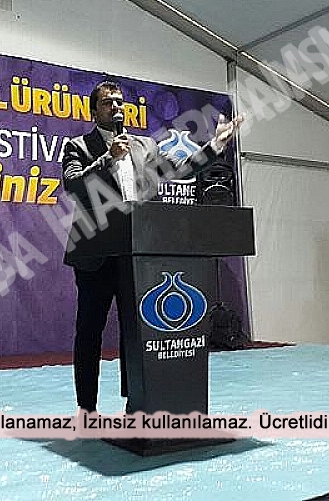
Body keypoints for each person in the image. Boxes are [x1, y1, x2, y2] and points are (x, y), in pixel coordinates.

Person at [62, 80, 243, 413]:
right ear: (94, 112)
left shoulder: (145, 146)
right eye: (108, 103)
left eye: (119, 102)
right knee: (89, 333)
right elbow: (73, 186)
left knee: (136, 334)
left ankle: (136, 403)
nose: (116, 107)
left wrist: (215, 145)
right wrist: (107, 158)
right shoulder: (79, 146)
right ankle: (86, 409)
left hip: (138, 255)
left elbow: (182, 167)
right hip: (96, 255)